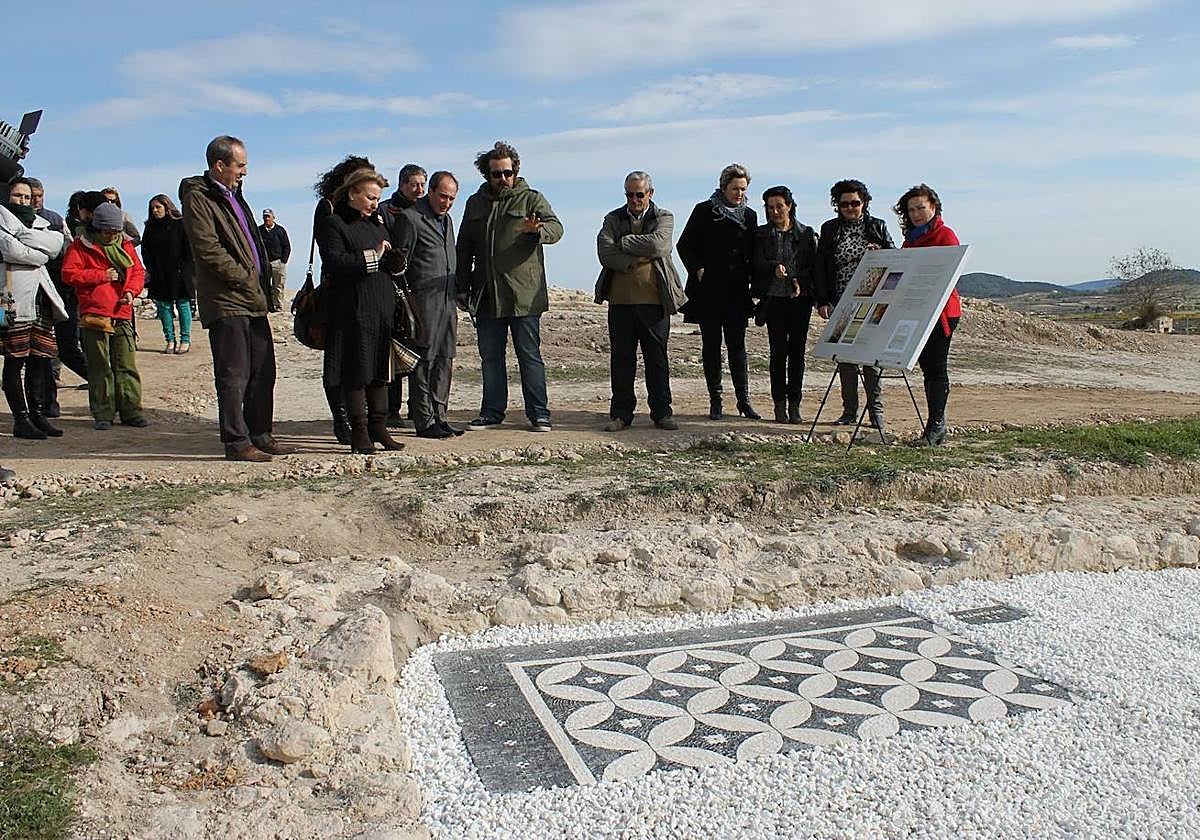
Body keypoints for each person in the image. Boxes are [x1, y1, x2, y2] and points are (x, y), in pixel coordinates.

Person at [179, 135, 291, 462]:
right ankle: (236, 441)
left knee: (263, 370)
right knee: (234, 373)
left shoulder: (234, 196)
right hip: (228, 298)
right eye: (240, 165)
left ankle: (260, 434)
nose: (244, 172)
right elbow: (208, 249)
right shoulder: (200, 198)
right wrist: (244, 278)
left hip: (251, 298)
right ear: (220, 165)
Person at [458, 141, 563, 432]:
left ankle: (539, 414)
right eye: (495, 174)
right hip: (486, 294)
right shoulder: (475, 203)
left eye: (507, 173)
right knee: (491, 357)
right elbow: (464, 246)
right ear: (486, 175)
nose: (502, 179)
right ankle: (492, 412)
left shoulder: (531, 199)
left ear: (515, 171)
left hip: (523, 296)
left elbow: (557, 228)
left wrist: (538, 230)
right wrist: (461, 286)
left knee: (529, 356)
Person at [315, 165, 405, 454]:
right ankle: (359, 432)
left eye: (377, 198)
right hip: (352, 310)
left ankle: (379, 427)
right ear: (353, 193)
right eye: (370, 197)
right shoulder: (334, 223)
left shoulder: (377, 223)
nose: (374, 203)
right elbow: (334, 262)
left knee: (380, 371)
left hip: (380, 307)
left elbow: (386, 260)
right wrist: (374, 256)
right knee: (356, 373)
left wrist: (394, 259)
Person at [594, 170, 686, 432]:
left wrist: (623, 242)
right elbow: (605, 251)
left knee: (656, 358)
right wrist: (633, 259)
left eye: (639, 194)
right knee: (622, 360)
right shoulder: (613, 218)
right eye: (629, 194)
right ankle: (621, 414)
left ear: (650, 194)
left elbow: (659, 246)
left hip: (654, 301)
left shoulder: (663, 217)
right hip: (620, 302)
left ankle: (661, 413)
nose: (634, 199)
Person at [677, 163, 759, 420]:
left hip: (736, 292)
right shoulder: (704, 211)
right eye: (735, 188)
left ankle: (744, 401)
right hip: (709, 291)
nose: (739, 193)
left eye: (743, 189)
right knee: (711, 346)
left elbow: (754, 251)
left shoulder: (750, 216)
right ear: (723, 187)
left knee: (738, 348)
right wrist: (699, 269)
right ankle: (716, 401)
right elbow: (684, 245)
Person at [814, 179, 895, 428]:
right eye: (844, 204)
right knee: (846, 358)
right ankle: (849, 412)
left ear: (864, 203)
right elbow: (820, 266)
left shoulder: (877, 227)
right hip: (841, 300)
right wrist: (822, 300)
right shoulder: (829, 229)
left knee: (871, 358)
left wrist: (880, 251)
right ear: (836, 205)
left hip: (874, 301)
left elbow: (896, 255)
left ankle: (875, 413)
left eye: (855, 203)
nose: (850, 208)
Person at [61, 202, 148, 430]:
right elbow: (69, 274)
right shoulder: (80, 247)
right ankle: (103, 412)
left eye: (115, 231)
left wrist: (130, 291)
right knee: (100, 367)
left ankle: (131, 411)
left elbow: (137, 272)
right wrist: (101, 276)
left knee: (126, 365)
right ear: (97, 228)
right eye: (108, 232)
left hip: (122, 312)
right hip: (95, 315)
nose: (112, 236)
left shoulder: (126, 246)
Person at [311, 155, 376, 446]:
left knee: (359, 359)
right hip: (336, 290)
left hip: (364, 292)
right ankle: (341, 419)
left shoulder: (370, 210)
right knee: (336, 360)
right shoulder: (328, 209)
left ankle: (357, 418)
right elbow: (330, 252)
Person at [394, 171, 462, 439]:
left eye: (452, 199)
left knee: (445, 358)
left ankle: (440, 416)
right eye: (443, 196)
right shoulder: (410, 219)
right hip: (422, 303)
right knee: (424, 361)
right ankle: (424, 420)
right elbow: (399, 266)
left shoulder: (449, 221)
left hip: (447, 301)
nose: (446, 202)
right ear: (431, 192)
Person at [0, 178, 68, 439]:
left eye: (28, 197)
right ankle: (21, 418)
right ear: (9, 196)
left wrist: (27, 242)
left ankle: (39, 414)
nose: (24, 201)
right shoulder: (2, 220)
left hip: (41, 297)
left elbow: (54, 246)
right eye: (19, 196)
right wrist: (38, 250)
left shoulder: (43, 223)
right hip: (13, 296)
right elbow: (12, 251)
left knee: (40, 358)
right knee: (15, 360)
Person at [895, 183, 961, 447]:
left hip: (942, 312)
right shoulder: (910, 241)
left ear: (933, 207)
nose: (916, 214)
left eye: (921, 208)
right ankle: (935, 424)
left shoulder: (945, 235)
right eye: (911, 210)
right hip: (917, 311)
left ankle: (936, 426)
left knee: (936, 366)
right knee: (926, 367)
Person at [751, 186, 819, 424]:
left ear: (789, 206)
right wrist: (773, 267)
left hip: (799, 301)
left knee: (797, 354)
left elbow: (813, 266)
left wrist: (798, 280)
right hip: (773, 301)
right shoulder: (761, 234)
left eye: (779, 206)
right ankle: (778, 404)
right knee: (778, 353)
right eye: (770, 208)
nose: (775, 211)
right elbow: (755, 263)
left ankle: (795, 405)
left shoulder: (806, 233)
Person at [28, 177, 87, 418]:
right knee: (38, 353)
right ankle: (45, 404)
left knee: (66, 348)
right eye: (29, 196)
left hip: (59, 294)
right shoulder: (8, 219)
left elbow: (65, 254)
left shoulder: (54, 221)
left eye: (38, 195)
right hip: (29, 295)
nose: (33, 200)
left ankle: (103, 383)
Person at [379, 163, 428, 428]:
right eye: (414, 185)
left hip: (419, 287)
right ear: (402, 184)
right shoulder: (386, 210)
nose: (419, 190)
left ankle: (418, 407)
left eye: (422, 184)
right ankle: (391, 409)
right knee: (395, 349)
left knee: (419, 347)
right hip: (395, 286)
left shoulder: (427, 211)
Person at [141, 194, 194, 354]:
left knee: (183, 304)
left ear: (166, 206)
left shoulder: (180, 224)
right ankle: (170, 340)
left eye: (158, 207)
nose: (155, 211)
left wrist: (184, 268)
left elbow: (188, 248)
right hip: (159, 273)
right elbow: (145, 250)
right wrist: (151, 268)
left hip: (179, 272)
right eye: (152, 208)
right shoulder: (150, 227)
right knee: (163, 307)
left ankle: (185, 340)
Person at [258, 208, 291, 313]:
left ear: (273, 217)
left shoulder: (280, 230)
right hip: (264, 263)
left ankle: (278, 307)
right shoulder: (259, 231)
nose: (266, 219)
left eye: (268, 216)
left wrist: (283, 261)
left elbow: (287, 246)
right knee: (264, 286)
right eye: (265, 217)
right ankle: (267, 306)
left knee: (278, 286)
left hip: (278, 262)